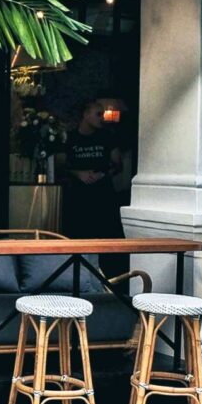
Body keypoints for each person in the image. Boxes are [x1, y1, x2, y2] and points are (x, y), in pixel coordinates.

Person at [61, 100, 127, 281]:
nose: (102, 118)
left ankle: (108, 280)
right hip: (78, 197)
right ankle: (78, 279)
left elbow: (117, 165)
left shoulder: (107, 137)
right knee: (78, 238)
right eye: (98, 114)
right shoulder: (70, 138)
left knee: (105, 238)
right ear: (86, 114)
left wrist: (102, 174)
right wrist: (78, 173)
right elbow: (60, 165)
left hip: (103, 196)